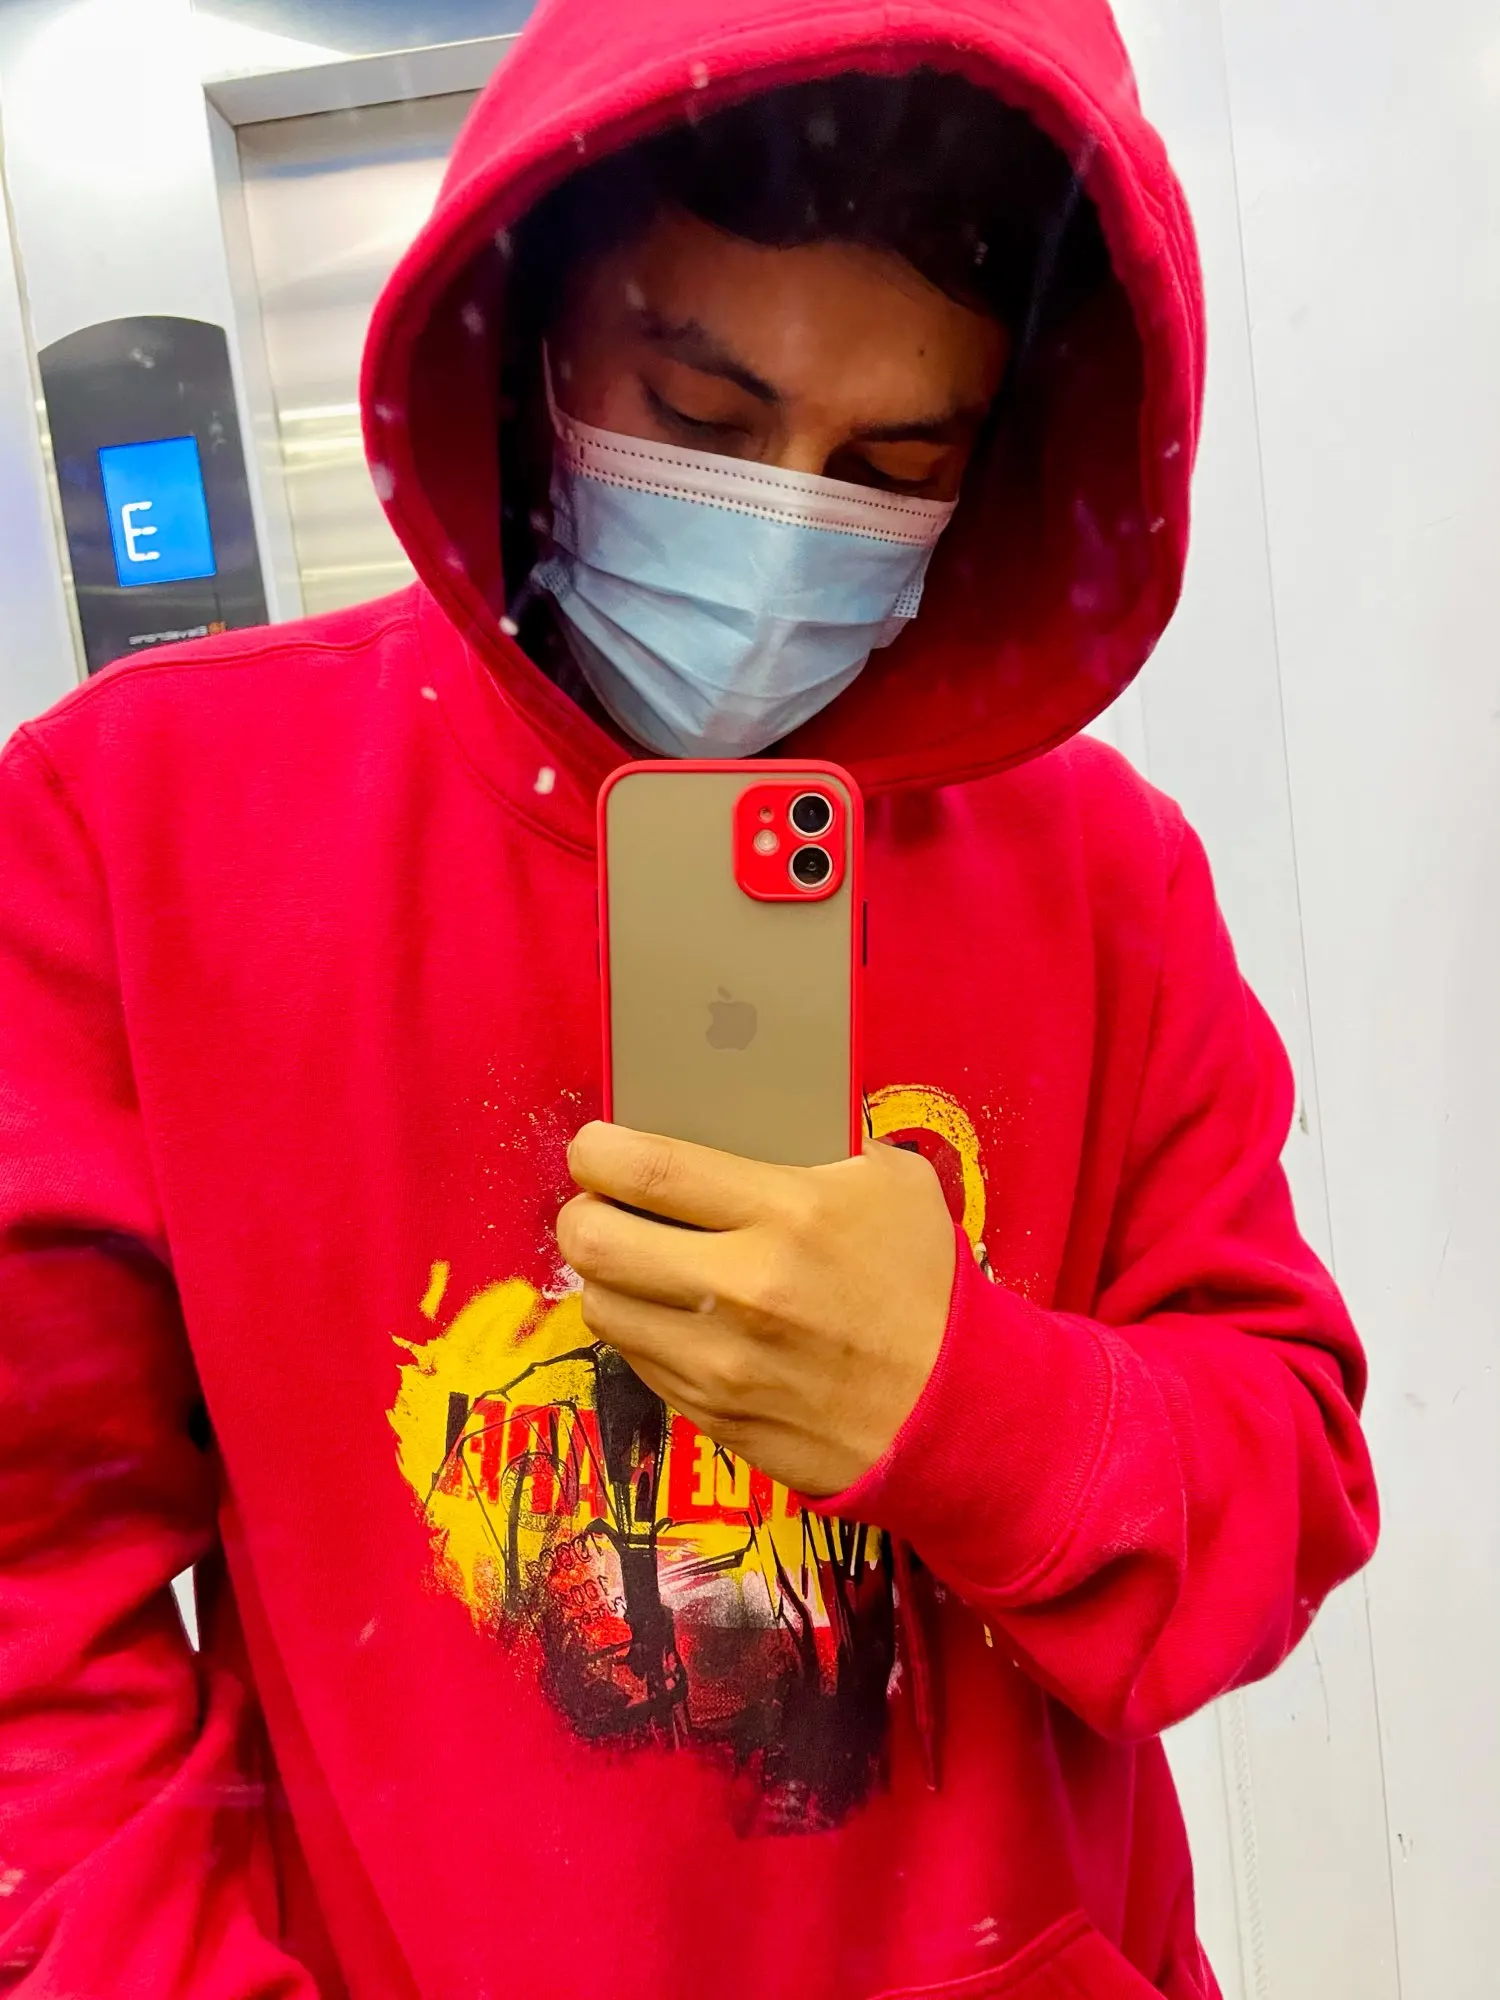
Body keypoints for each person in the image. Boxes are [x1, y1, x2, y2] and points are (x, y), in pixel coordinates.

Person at [0, 0, 1378, 1994]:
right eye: (703, 422)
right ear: (534, 333)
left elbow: (1285, 1500)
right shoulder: (136, 832)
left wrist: (966, 1401)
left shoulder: (1104, 877)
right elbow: (38, 1613)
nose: (780, 537)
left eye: (891, 467)